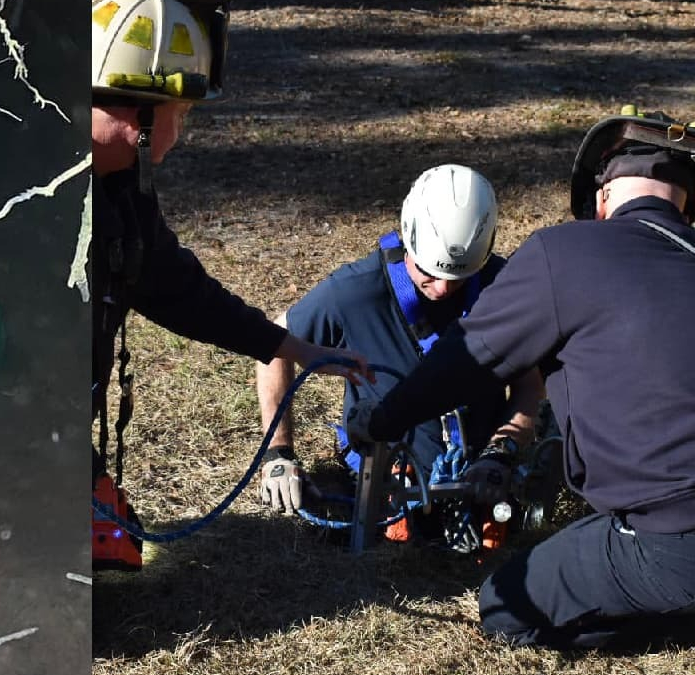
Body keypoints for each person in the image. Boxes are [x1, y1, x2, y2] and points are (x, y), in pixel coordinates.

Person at [346, 109, 695, 648]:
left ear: (601, 199)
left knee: (505, 609)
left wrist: (384, 419)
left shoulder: (565, 253)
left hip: (670, 537)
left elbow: (464, 361)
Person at [89, 0, 370, 569]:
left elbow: (185, 294)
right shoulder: (15, 188)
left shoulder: (122, 195)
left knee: (114, 552)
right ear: (139, 113)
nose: (182, 129)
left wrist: (299, 349)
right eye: (183, 112)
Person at [255, 165, 544, 550]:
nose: (442, 289)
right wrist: (278, 453)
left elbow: (531, 384)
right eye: (428, 272)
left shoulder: (503, 286)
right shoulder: (356, 293)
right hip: (383, 473)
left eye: (457, 277)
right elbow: (272, 347)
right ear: (408, 238)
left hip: (481, 470)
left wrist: (502, 451)